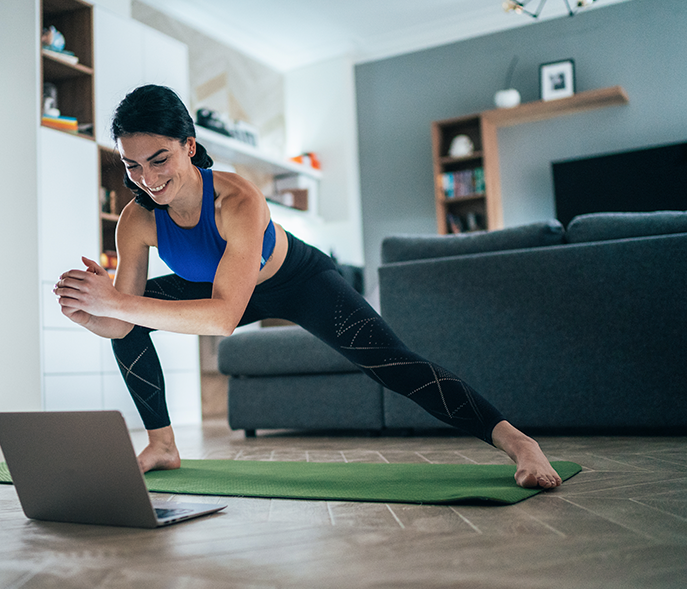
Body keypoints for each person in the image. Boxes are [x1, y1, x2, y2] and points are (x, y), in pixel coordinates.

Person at [54, 85, 562, 489]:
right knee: (129, 326)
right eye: (131, 165)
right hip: (220, 291)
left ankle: (520, 444)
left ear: (189, 146)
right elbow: (125, 321)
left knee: (394, 363)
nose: (145, 178)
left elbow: (223, 318)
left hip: (297, 281)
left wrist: (119, 302)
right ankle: (162, 445)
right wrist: (95, 312)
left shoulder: (238, 200)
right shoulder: (135, 220)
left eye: (158, 159)